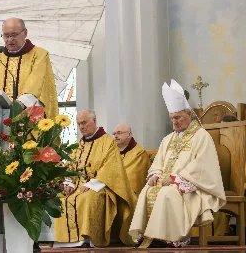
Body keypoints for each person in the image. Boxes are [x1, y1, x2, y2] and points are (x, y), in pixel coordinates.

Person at [129, 79, 226, 248]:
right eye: (172, 118)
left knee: (167, 194)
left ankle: (169, 238)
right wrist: (155, 175)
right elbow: (158, 162)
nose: (174, 122)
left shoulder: (202, 136)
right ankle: (149, 236)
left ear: (189, 114)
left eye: (178, 117)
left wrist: (176, 179)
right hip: (168, 182)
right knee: (147, 191)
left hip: (193, 186)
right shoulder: (168, 139)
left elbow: (203, 166)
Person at [54, 110, 137, 248]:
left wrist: (92, 184)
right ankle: (64, 240)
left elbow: (111, 168)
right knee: (59, 199)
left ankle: (88, 238)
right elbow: (70, 165)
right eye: (79, 124)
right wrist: (68, 182)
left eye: (84, 123)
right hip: (77, 186)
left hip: (101, 186)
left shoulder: (108, 142)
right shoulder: (79, 144)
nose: (81, 127)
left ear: (94, 121)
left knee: (88, 199)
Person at [0, 17, 58, 119]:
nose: (9, 40)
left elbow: (37, 84)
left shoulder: (39, 55)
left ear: (25, 33)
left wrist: (17, 107)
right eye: (6, 36)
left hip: (27, 119)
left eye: (13, 35)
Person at [113, 124, 150, 196]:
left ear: (129, 134)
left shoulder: (139, 153)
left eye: (119, 133)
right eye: (114, 134)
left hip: (128, 194)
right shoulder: (113, 152)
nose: (116, 136)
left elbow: (133, 178)